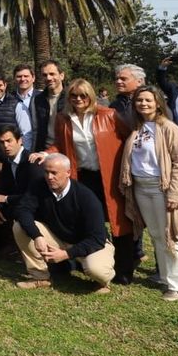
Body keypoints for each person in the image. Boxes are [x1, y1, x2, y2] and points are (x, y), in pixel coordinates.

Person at [45, 79, 136, 283]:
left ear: (91, 96)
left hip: (109, 176)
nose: (78, 99)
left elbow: (129, 138)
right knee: (87, 221)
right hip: (82, 177)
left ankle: (124, 269)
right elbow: (60, 145)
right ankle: (85, 260)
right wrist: (46, 153)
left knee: (119, 223)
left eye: (83, 95)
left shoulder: (108, 115)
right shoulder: (63, 119)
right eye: (74, 95)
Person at [119, 86, 178, 301]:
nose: (143, 104)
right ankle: (165, 277)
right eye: (139, 100)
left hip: (162, 188)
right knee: (156, 234)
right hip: (141, 187)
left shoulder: (168, 128)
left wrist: (174, 193)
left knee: (173, 235)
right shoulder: (136, 128)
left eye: (148, 100)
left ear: (158, 103)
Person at [11, 153, 115, 293]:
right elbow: (22, 210)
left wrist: (66, 254)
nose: (49, 177)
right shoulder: (39, 185)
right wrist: (37, 236)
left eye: (54, 173)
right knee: (19, 227)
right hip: (59, 238)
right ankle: (40, 277)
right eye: (46, 172)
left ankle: (103, 283)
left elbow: (97, 238)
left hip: (90, 243)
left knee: (97, 271)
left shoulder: (86, 197)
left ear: (68, 173)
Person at [0, 127, 40, 258]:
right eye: (2, 142)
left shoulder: (31, 161)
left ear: (20, 141)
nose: (6, 146)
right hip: (16, 201)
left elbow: (33, 196)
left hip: (32, 206)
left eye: (9, 141)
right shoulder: (8, 161)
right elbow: (3, 188)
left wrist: (6, 199)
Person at [32, 60, 68, 153]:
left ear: (61, 75)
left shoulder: (72, 97)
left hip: (67, 149)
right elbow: (36, 129)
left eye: (52, 74)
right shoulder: (38, 100)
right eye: (44, 75)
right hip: (45, 150)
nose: (48, 78)